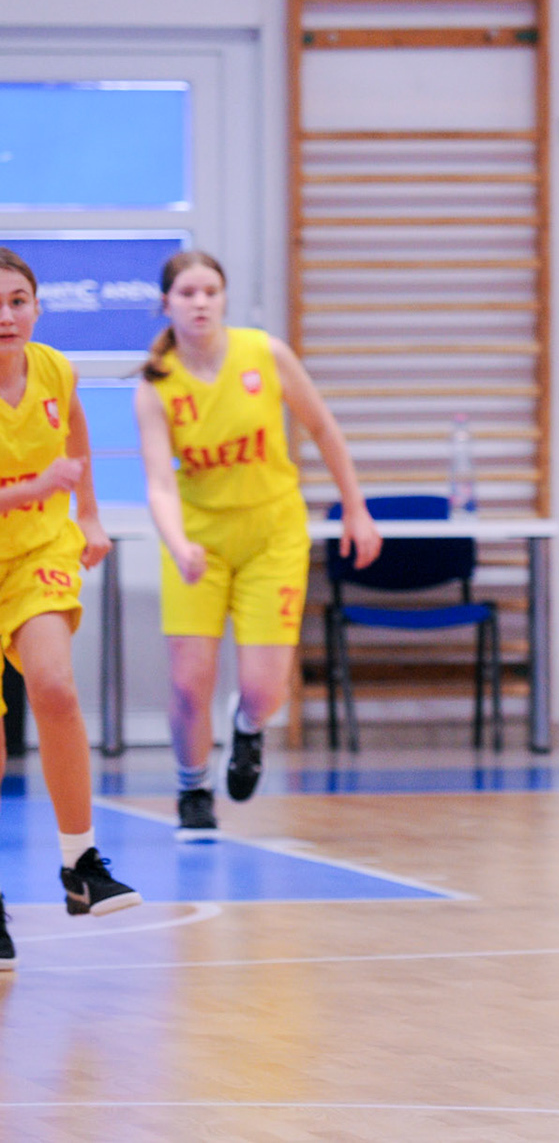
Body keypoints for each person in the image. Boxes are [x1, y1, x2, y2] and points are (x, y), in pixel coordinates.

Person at [133, 251, 381, 839]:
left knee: (265, 690)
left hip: (272, 533)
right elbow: (160, 484)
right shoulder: (155, 385)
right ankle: (193, 790)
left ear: (224, 299)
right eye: (187, 293)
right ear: (166, 304)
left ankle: (247, 728)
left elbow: (322, 427)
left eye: (210, 291)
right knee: (188, 682)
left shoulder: (265, 354)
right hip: (200, 539)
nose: (200, 302)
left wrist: (356, 507)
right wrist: (178, 544)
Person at [0, 249, 141, 969]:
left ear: (36, 306)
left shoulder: (54, 369)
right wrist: (33, 489)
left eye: (17, 300)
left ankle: (80, 863)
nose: (6, 315)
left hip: (36, 554)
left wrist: (87, 512)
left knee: (54, 685)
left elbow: (76, 433)